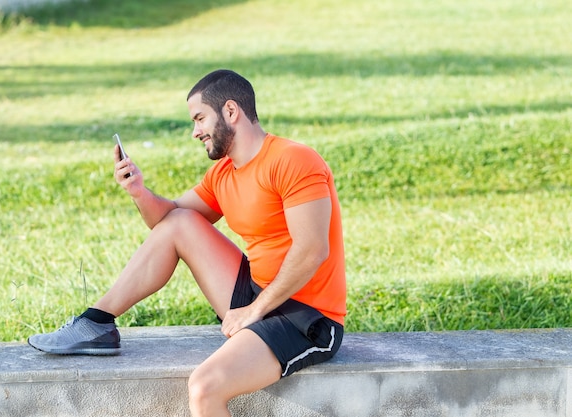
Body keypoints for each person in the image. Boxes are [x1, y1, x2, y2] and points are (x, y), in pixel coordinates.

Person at [28, 69, 347, 417]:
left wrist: (253, 312)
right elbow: (168, 222)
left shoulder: (293, 160)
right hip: (258, 293)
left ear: (230, 111)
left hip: (305, 317)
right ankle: (96, 323)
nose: (195, 132)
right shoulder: (224, 173)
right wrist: (138, 191)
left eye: (199, 119)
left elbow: (312, 250)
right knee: (181, 222)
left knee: (204, 387)